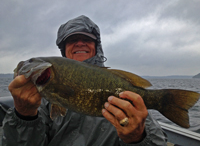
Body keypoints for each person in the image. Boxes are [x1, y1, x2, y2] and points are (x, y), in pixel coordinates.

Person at [2, 15, 167, 146]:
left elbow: (157, 141)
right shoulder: (41, 99)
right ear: (64, 49)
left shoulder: (119, 87)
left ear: (97, 47)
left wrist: (137, 138)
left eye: (87, 40)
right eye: (72, 40)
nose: (80, 43)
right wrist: (24, 115)